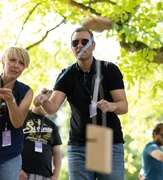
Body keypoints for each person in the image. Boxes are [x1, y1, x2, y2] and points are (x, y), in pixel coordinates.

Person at [34, 27, 128, 180]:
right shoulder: (66, 74)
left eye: (85, 41)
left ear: (93, 45)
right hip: (79, 146)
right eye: (75, 42)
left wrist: (112, 106)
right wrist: (43, 101)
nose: (79, 45)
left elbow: (123, 106)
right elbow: (52, 108)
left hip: (107, 143)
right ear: (71, 47)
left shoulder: (109, 69)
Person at [0, 46, 33, 180]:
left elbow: (18, 123)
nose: (16, 66)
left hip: (10, 156)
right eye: (12, 60)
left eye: (21, 63)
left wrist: (11, 100)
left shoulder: (27, 92)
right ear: (3, 62)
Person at [19, 89, 62, 180]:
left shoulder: (52, 126)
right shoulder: (21, 117)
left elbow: (57, 152)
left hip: (45, 175)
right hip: (22, 174)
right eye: (47, 100)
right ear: (39, 96)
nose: (48, 105)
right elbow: (12, 144)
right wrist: (17, 168)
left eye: (51, 103)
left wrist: (56, 175)